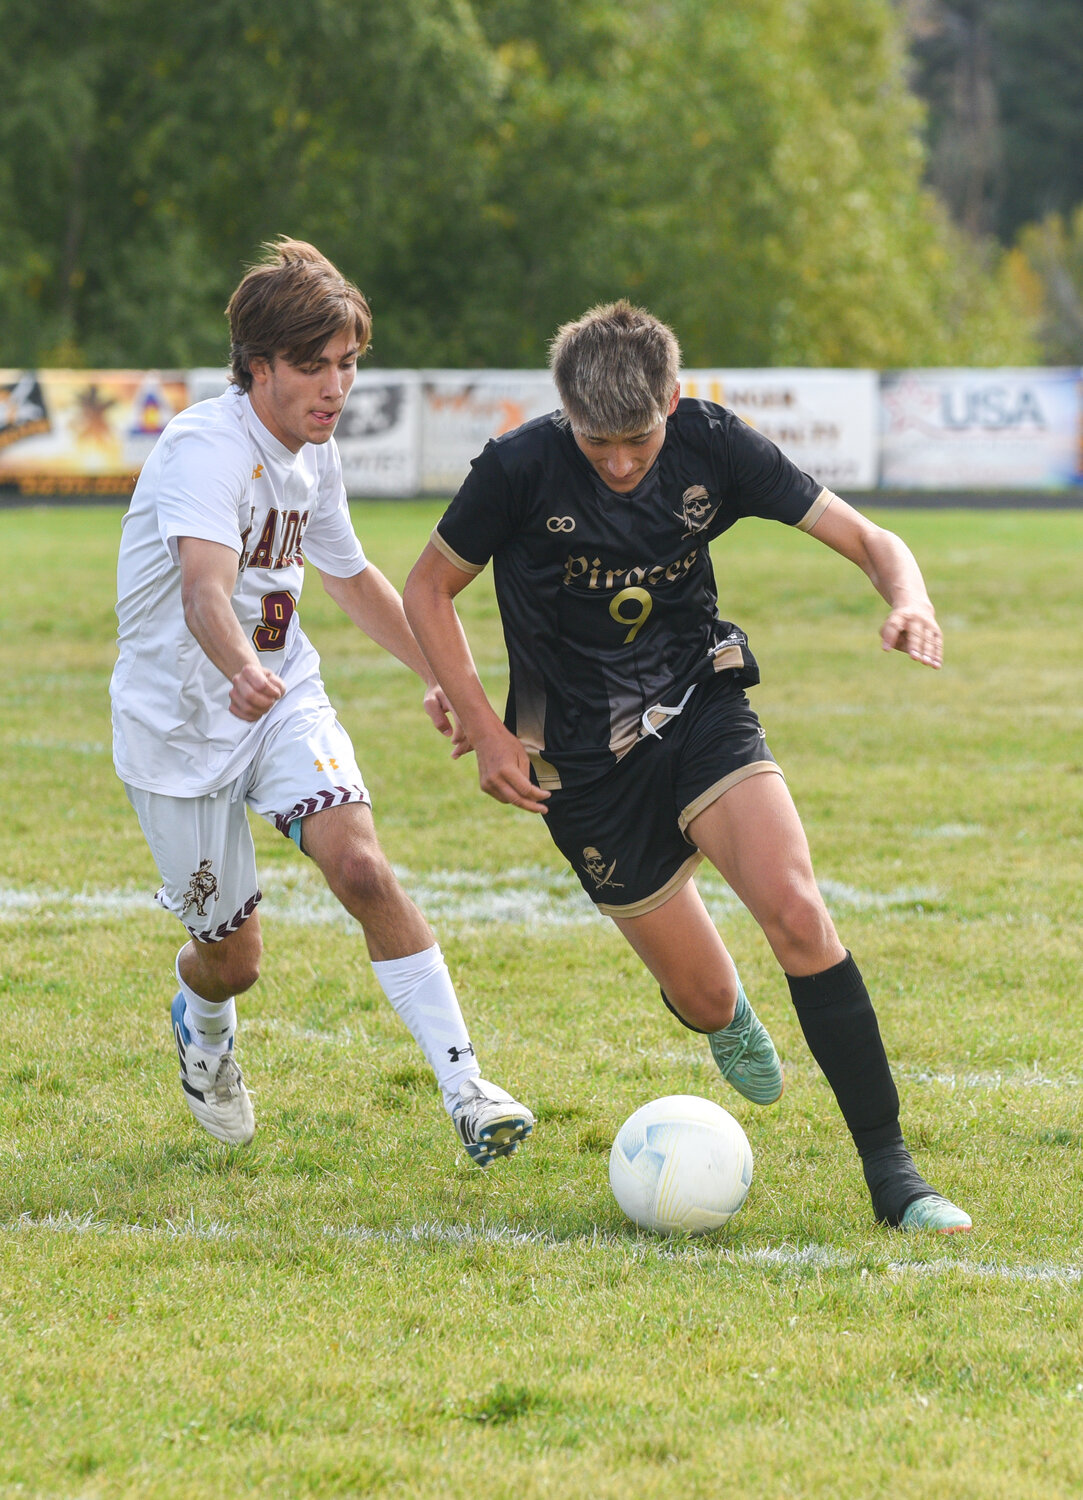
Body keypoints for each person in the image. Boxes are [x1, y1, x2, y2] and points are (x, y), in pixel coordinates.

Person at [403, 299, 971, 1233]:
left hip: (696, 704)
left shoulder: (714, 445)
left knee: (795, 912)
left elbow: (871, 541)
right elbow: (428, 590)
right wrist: (486, 726)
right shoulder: (516, 469)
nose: (621, 464)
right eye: (598, 444)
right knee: (703, 997)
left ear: (673, 398)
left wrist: (908, 598)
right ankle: (725, 1017)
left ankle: (895, 1176)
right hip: (576, 761)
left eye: (637, 438)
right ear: (564, 417)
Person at [109, 237, 532, 1166]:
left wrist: (439, 676)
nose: (334, 388)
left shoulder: (314, 452)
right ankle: (205, 1027)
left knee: (363, 869)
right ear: (256, 367)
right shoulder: (204, 449)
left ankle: (469, 1089)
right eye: (312, 367)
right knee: (234, 961)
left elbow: (348, 577)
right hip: (177, 727)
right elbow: (203, 592)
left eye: (346, 365)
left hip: (280, 694)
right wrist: (234, 666)